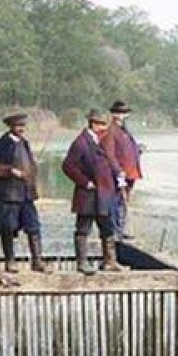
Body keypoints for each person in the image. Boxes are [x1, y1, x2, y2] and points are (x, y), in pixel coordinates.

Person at [0, 112, 48, 272]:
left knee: (33, 226)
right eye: (18, 126)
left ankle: (37, 261)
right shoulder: (1, 145)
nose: (21, 129)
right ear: (10, 126)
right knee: (8, 228)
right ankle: (10, 261)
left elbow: (29, 165)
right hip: (9, 194)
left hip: (26, 194)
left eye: (22, 126)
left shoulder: (24, 143)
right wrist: (10, 171)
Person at [62, 107, 122, 275]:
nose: (104, 128)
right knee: (83, 228)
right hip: (87, 195)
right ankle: (82, 263)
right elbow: (68, 166)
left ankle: (110, 261)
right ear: (94, 124)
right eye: (102, 125)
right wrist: (85, 182)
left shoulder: (99, 141)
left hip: (103, 195)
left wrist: (118, 176)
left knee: (107, 228)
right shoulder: (80, 142)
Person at [104, 99, 142, 241]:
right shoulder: (111, 131)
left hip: (130, 172)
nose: (123, 115)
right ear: (114, 114)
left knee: (123, 203)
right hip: (121, 173)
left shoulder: (124, 130)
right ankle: (116, 232)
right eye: (120, 113)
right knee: (118, 203)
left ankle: (120, 230)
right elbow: (110, 154)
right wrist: (118, 171)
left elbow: (127, 148)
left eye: (124, 113)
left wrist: (137, 150)